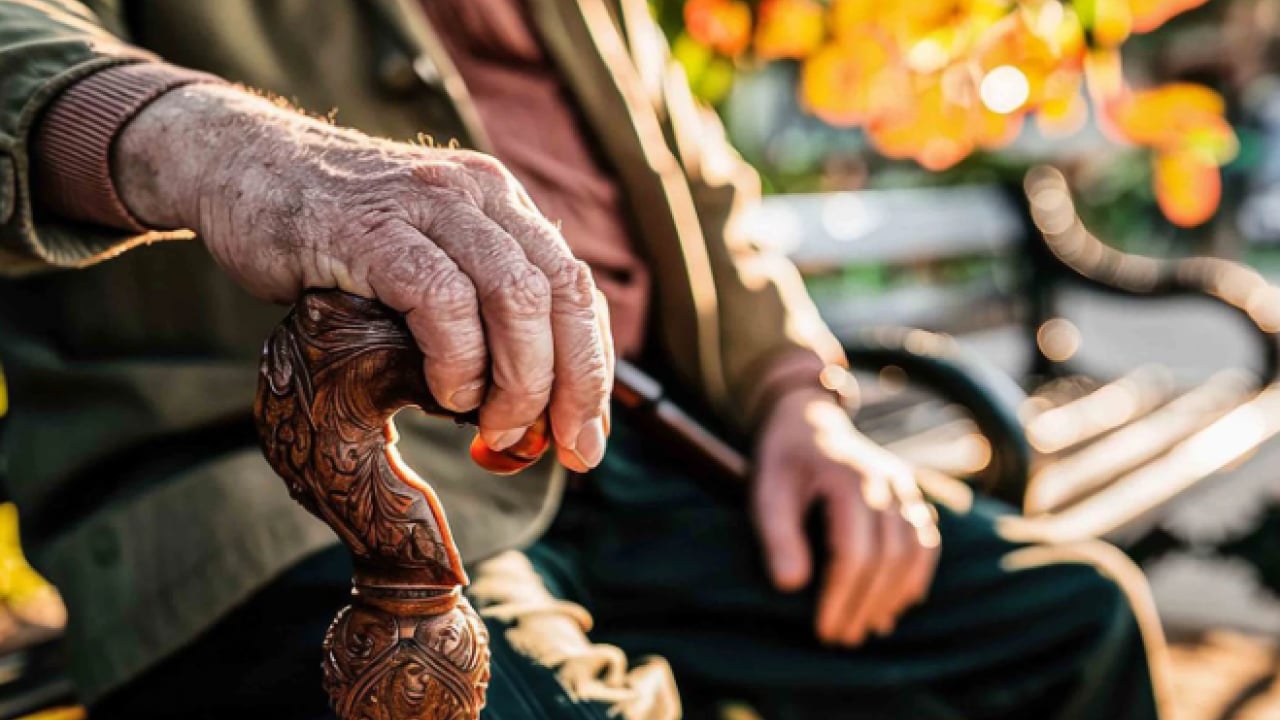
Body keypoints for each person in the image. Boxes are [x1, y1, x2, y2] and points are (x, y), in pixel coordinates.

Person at [0, 0, 1168, 717]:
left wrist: (796, 398)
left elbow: (698, 188)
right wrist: (217, 149)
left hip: (662, 453)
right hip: (290, 497)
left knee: (1071, 622)